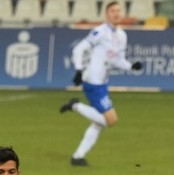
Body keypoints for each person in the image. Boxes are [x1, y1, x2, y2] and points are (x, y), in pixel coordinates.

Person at [58, 1, 144, 166]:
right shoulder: (99, 32)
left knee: (98, 123)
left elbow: (116, 59)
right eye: (113, 11)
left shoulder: (121, 35)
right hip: (93, 82)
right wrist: (78, 70)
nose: (116, 14)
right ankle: (76, 106)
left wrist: (131, 66)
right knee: (110, 120)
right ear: (107, 14)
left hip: (102, 83)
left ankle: (77, 156)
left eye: (119, 11)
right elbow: (79, 49)